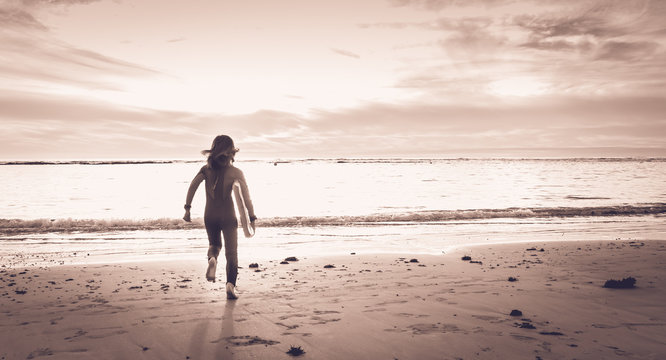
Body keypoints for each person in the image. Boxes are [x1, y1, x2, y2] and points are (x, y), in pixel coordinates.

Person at [183, 135, 256, 300]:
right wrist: (251, 217)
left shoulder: (205, 170)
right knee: (232, 253)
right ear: (231, 152)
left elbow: (192, 186)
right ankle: (230, 285)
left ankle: (213, 259)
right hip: (228, 216)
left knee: (214, 244)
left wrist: (187, 209)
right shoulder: (236, 172)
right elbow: (246, 198)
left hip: (210, 215)